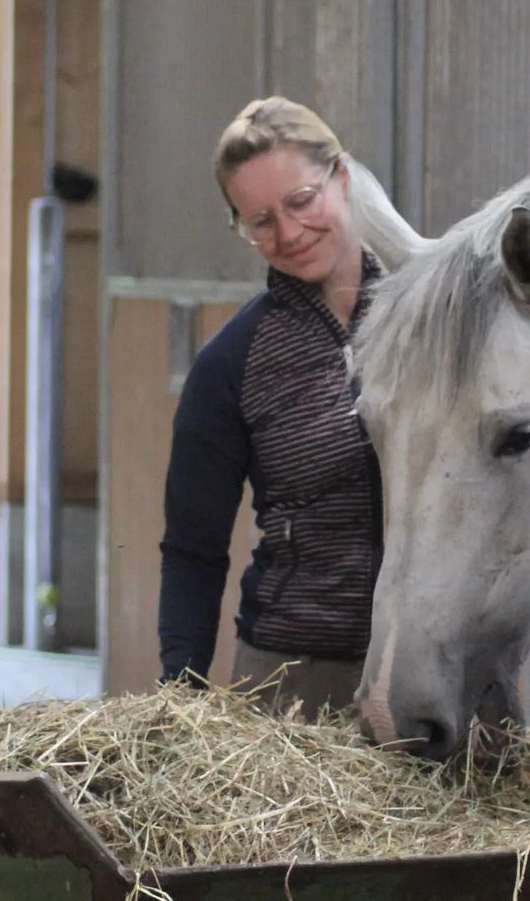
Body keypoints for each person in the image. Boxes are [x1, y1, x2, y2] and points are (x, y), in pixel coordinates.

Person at [157, 96, 382, 718]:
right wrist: (180, 700)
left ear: (342, 176)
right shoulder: (230, 364)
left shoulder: (433, 313)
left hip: (444, 667)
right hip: (295, 682)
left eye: (301, 201)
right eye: (259, 221)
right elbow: (193, 547)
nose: (287, 234)